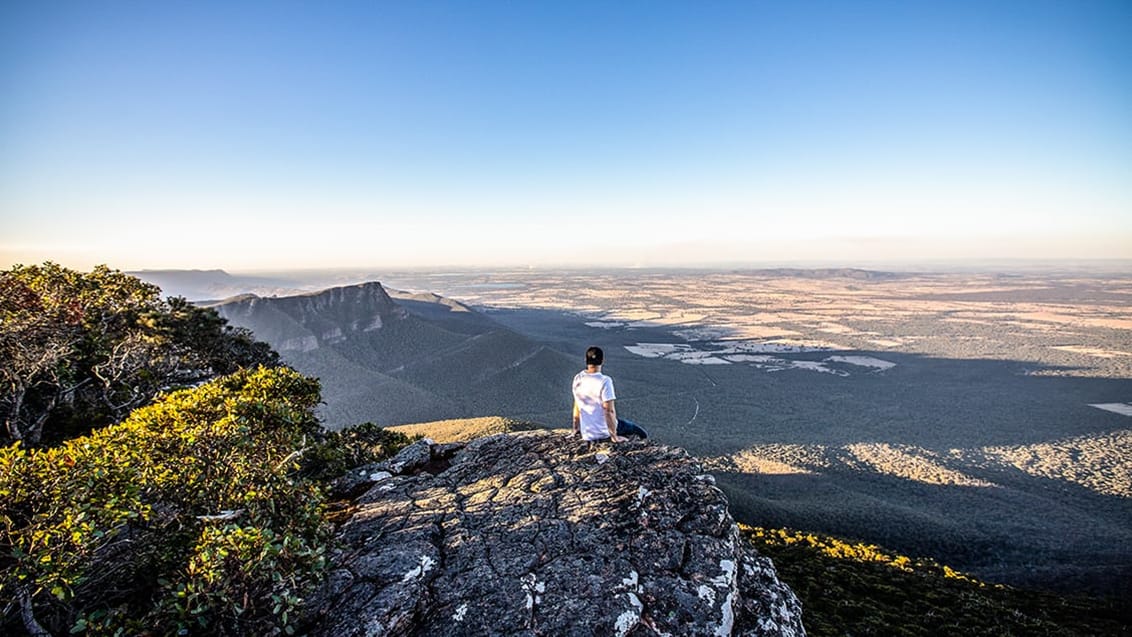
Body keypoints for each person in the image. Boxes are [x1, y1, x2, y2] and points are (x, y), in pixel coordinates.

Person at [571, 346, 648, 442]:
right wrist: (614, 436)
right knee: (641, 433)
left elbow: (577, 404)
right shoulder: (605, 381)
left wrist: (576, 428)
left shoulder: (578, 378)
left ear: (586, 360)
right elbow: (609, 410)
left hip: (587, 433)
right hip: (604, 432)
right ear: (603, 361)